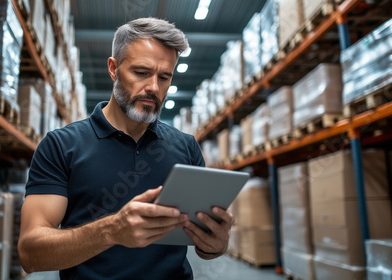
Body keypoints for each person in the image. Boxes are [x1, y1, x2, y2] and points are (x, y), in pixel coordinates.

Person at [18, 17, 233, 279]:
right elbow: (30, 253)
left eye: (164, 77)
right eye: (141, 73)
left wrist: (216, 245)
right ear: (113, 68)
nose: (154, 87)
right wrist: (111, 230)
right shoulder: (61, 146)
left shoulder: (186, 147)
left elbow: (205, 246)